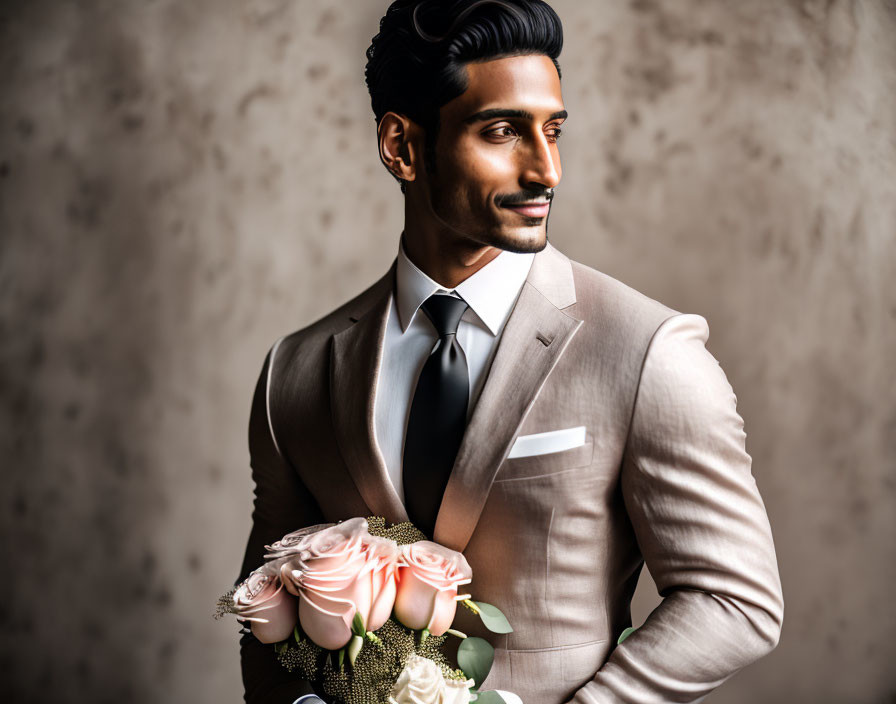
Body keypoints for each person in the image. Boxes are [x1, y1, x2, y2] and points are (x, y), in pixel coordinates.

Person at [235, 2, 784, 703]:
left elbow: (736, 599)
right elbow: (263, 613)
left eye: (553, 131)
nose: (546, 170)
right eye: (502, 132)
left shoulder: (647, 350)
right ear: (402, 147)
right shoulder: (298, 372)